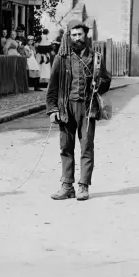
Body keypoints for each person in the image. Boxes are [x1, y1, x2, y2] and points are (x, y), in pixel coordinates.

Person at [46, 21, 111, 201]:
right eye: (73, 35)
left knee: (86, 147)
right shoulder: (62, 58)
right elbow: (52, 86)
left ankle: (83, 185)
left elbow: (106, 80)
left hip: (87, 107)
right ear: (69, 36)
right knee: (65, 147)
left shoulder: (95, 57)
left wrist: (99, 83)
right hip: (66, 108)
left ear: (86, 35)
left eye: (80, 35)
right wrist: (52, 109)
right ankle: (67, 186)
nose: (77, 38)